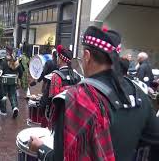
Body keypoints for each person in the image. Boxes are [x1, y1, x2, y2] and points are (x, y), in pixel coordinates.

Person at [30, 26, 159, 161]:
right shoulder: (138, 94)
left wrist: (40, 148)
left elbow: (60, 158)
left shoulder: (76, 99)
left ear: (87, 56)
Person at [40, 45, 81, 128]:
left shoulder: (55, 76)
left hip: (59, 117)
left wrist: (42, 109)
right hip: (74, 116)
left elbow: (49, 99)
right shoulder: (78, 76)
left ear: (61, 59)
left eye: (58, 57)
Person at [0, 46, 23, 118]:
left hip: (4, 80)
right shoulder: (16, 60)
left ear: (6, 51)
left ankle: (3, 110)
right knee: (12, 95)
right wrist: (19, 78)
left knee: (3, 95)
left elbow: (0, 71)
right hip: (13, 80)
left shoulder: (3, 60)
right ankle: (15, 107)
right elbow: (21, 71)